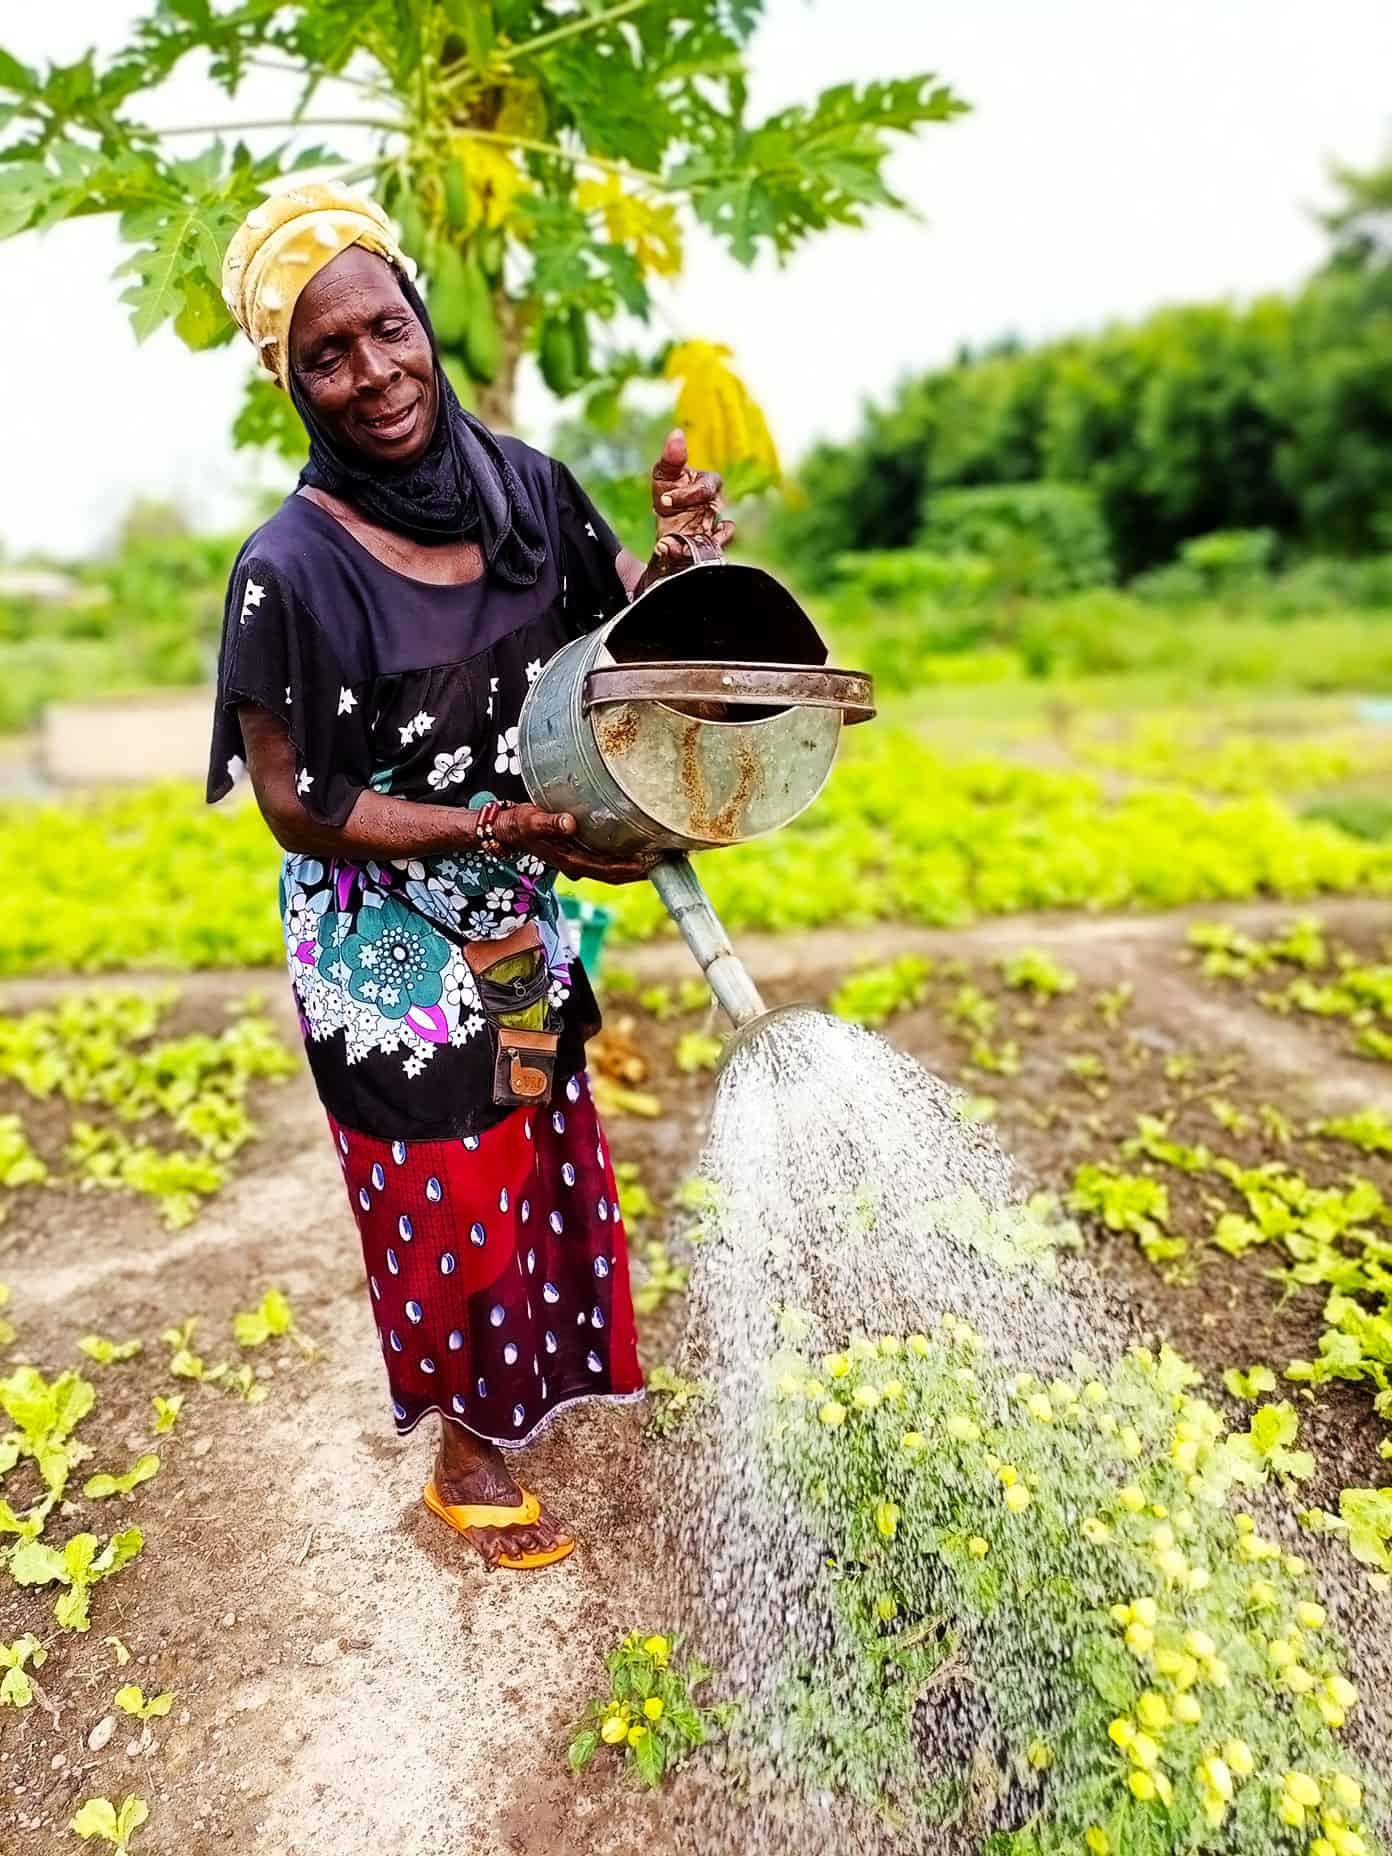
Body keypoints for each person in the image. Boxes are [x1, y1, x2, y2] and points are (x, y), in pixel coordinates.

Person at [207, 183, 731, 1571]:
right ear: (292, 381)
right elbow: (299, 803)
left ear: (418, 319)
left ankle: (526, 1388)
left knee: (528, 1147)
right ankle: (467, 1453)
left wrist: (678, 561)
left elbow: (615, 635)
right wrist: (487, 833)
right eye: (327, 356)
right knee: (440, 1185)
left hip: (512, 907)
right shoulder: (288, 568)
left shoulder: (523, 489)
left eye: (386, 330)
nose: (372, 373)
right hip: (383, 949)